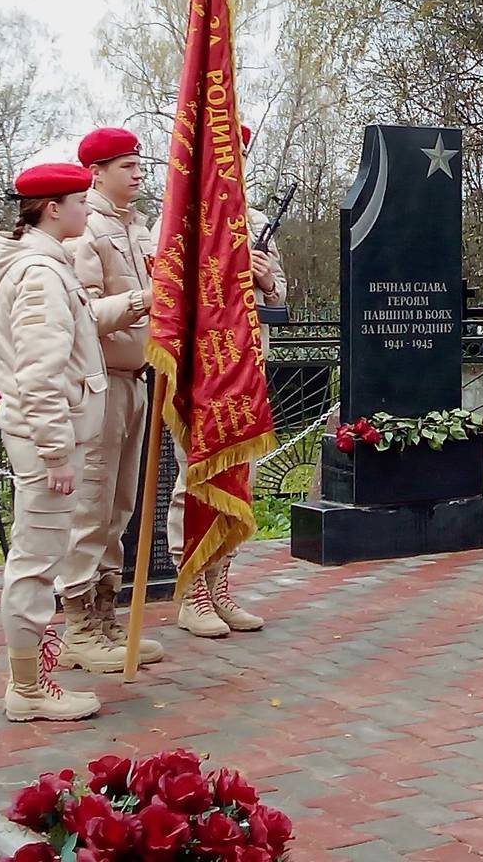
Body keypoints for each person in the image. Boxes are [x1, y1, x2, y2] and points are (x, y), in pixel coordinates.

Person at [0, 162, 133, 721]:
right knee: (37, 561)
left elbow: (86, 320)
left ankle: (31, 682)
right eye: (79, 201)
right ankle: (27, 689)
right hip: (49, 440)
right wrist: (54, 450)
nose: (87, 209)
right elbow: (39, 373)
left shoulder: (45, 265)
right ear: (52, 209)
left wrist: (140, 301)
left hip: (54, 434)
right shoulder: (41, 274)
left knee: (40, 556)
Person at [161, 123, 289, 638]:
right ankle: (191, 589)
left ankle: (220, 586)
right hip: (200, 367)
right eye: (223, 153)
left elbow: (279, 296)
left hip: (244, 367)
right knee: (193, 476)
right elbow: (167, 297)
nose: (231, 163)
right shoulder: (177, 222)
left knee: (242, 475)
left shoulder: (254, 220)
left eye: (238, 154)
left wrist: (262, 277)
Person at [52, 126, 163, 674]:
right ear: (96, 172)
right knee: (92, 502)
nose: (138, 174)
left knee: (120, 503)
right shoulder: (85, 230)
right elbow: (86, 315)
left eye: (138, 164)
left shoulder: (137, 227)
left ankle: (106, 614)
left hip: (136, 376)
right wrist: (145, 298)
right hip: (100, 382)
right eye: (126, 166)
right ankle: (76, 623)